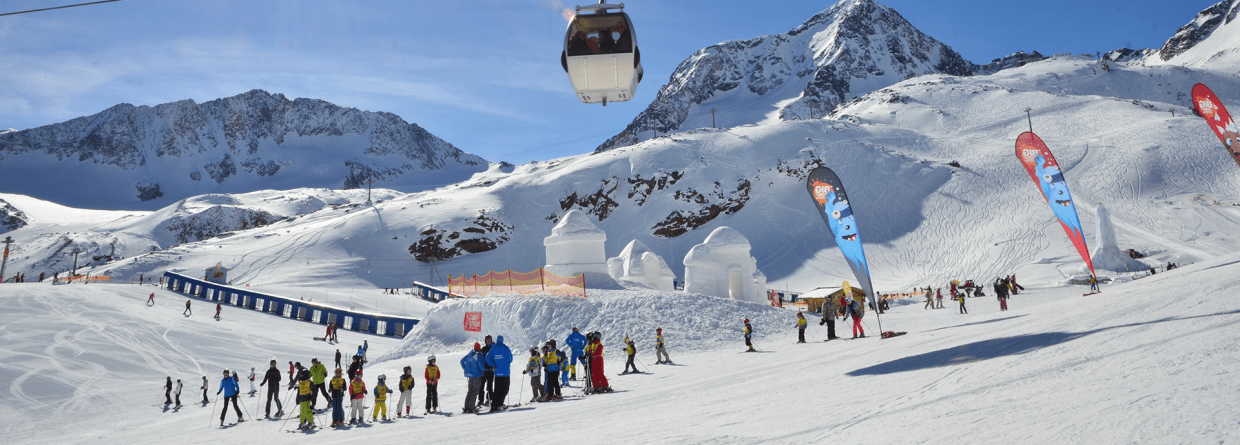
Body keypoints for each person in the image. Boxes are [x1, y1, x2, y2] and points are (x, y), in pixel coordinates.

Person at [484, 335, 513, 412]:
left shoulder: (493, 348)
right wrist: (506, 363)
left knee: (497, 390)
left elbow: (487, 358)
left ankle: (494, 405)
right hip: (506, 372)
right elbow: (511, 358)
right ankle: (499, 404)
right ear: (502, 340)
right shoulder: (506, 348)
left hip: (497, 373)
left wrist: (494, 365)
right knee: (505, 389)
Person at [461, 343, 484, 413]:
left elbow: (462, 361)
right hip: (476, 375)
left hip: (470, 376)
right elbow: (481, 365)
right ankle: (471, 408)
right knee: (475, 391)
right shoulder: (479, 355)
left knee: (470, 391)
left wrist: (465, 369)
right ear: (479, 348)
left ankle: (466, 407)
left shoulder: (470, 354)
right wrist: (484, 370)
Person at [479, 335, 495, 407]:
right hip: (483, 370)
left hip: (491, 370)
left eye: (490, 340)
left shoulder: (493, 348)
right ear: (485, 341)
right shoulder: (484, 349)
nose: (489, 341)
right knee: (481, 385)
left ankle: (489, 399)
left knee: (489, 386)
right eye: (487, 340)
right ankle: (480, 400)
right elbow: (480, 359)